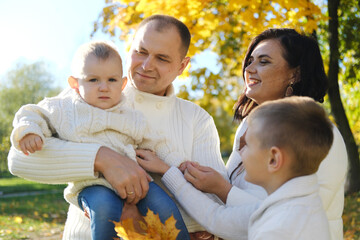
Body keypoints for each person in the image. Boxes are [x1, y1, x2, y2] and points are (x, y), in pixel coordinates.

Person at [8, 15, 227, 239]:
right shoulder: (88, 93)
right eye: (140, 51)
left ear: (182, 66)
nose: (146, 65)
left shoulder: (197, 119)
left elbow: (215, 198)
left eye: (161, 58)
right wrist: (101, 158)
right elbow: (19, 159)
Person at [134, 28, 348, 240]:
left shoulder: (315, 133)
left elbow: (246, 216)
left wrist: (220, 189)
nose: (249, 69)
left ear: (295, 73)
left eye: (263, 62)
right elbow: (228, 203)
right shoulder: (249, 125)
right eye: (250, 61)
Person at [137, 96, 333, 239]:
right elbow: (215, 217)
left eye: (246, 145)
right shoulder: (292, 204)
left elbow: (216, 218)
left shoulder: (277, 227)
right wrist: (167, 171)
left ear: (273, 159)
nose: (239, 151)